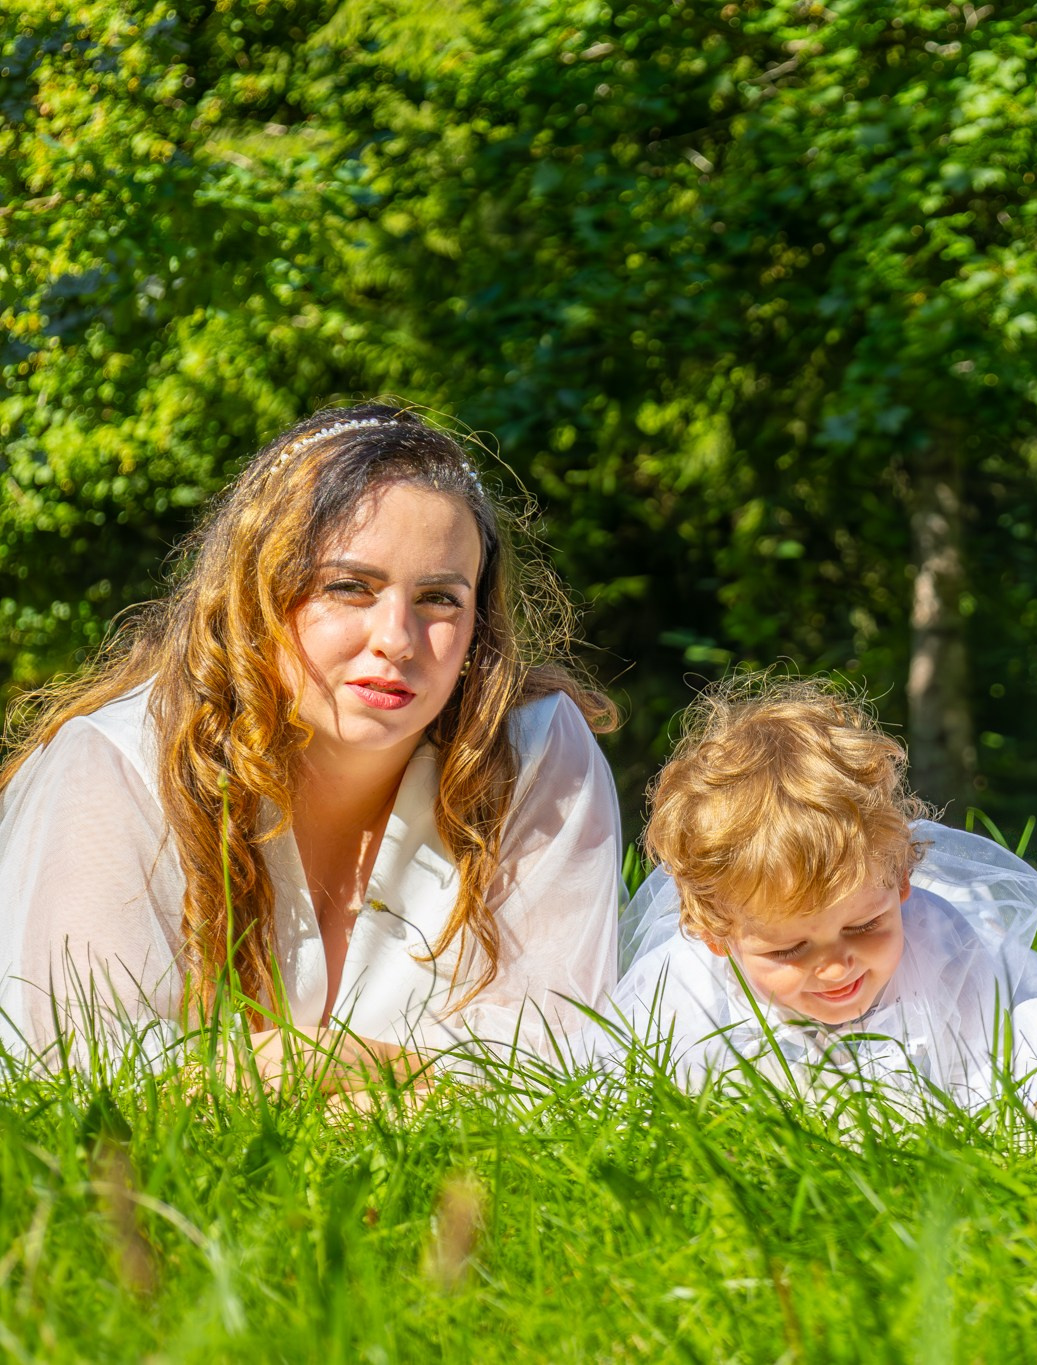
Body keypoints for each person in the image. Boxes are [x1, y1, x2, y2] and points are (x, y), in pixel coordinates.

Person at [0, 404, 623, 1087]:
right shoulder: (118, 767)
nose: (397, 639)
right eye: (350, 587)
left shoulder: (536, 754)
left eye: (440, 598)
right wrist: (387, 1080)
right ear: (258, 593)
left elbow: (565, 1063)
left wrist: (332, 1069)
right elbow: (72, 1068)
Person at [598, 677, 1037, 1109]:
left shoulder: (945, 953)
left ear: (900, 881)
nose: (836, 968)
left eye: (864, 925)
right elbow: (615, 1096)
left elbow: (998, 1075)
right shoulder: (682, 991)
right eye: (789, 949)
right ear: (717, 934)